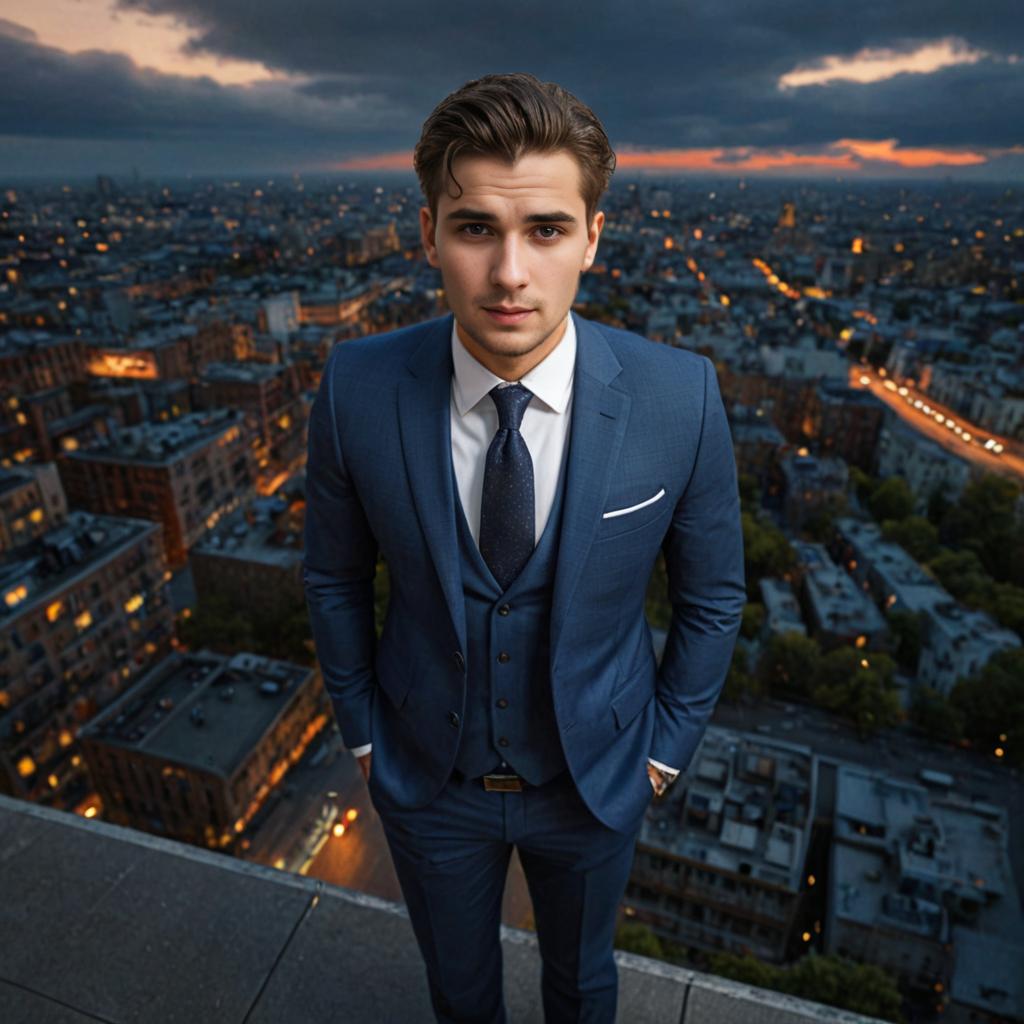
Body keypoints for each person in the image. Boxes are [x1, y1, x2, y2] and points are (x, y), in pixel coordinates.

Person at [303, 71, 745, 1023]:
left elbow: (713, 598)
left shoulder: (681, 398)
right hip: (428, 777)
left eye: (545, 229)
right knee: (458, 994)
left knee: (584, 987)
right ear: (428, 236)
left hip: (597, 781)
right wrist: (366, 733)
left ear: (592, 236)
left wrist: (662, 754)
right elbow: (333, 577)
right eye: (475, 229)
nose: (510, 273)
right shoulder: (356, 388)